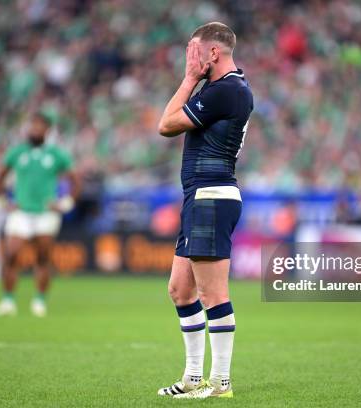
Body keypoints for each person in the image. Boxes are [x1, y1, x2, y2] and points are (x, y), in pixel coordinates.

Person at [156, 22, 253, 399]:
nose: (190, 58)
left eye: (193, 50)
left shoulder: (227, 90)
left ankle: (220, 384)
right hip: (201, 196)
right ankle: (193, 377)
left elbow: (165, 125)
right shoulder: (221, 89)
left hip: (212, 196)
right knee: (181, 290)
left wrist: (187, 79)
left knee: (213, 294)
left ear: (213, 53)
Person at [0, 113, 80, 317]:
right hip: (21, 212)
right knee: (11, 254)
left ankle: (39, 301)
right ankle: (8, 301)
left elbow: (76, 180)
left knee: (42, 258)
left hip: (46, 213)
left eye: (40, 126)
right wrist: (4, 202)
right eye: (33, 126)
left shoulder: (57, 154)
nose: (35, 129)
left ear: (47, 130)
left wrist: (66, 203)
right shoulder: (17, 152)